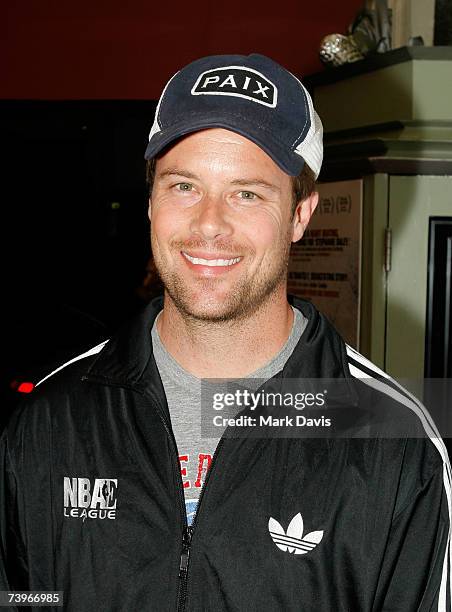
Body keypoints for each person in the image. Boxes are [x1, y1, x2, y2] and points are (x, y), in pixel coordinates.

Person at [0, 53, 450, 612]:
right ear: (150, 202)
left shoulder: (394, 439)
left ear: (300, 215)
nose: (209, 224)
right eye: (184, 186)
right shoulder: (51, 419)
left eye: (247, 193)